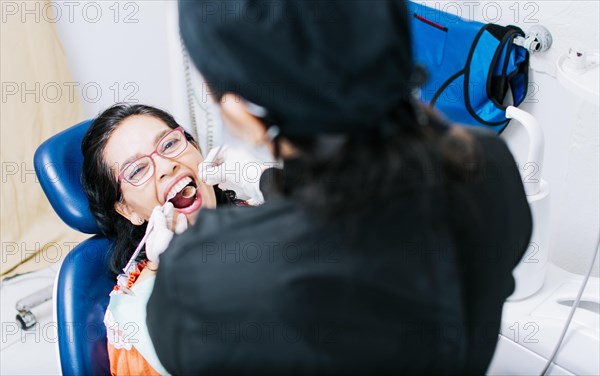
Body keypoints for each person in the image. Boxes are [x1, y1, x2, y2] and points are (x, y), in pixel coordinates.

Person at [147, 0, 533, 374]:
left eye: (169, 144)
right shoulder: (488, 164)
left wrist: (172, 263)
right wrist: (266, 181)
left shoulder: (204, 283)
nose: (166, 168)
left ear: (240, 113)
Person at [81, 103, 260, 375]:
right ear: (127, 209)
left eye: (168, 144)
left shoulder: (267, 215)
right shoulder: (135, 315)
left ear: (195, 147)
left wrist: (277, 183)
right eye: (137, 171)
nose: (166, 166)